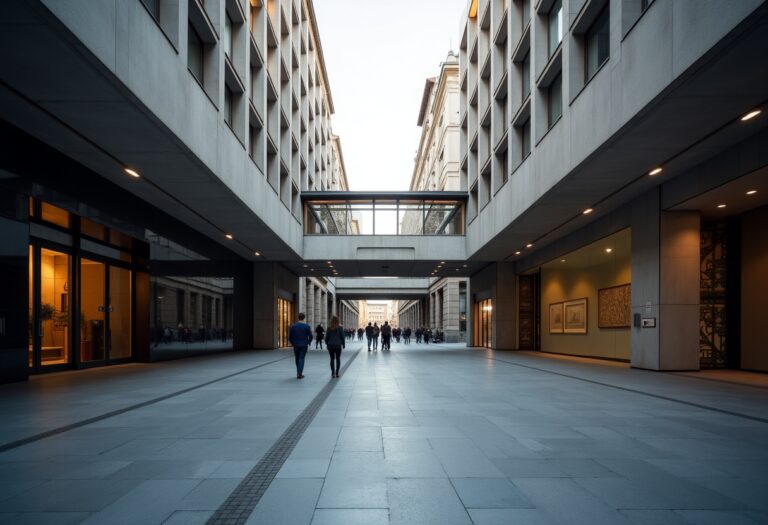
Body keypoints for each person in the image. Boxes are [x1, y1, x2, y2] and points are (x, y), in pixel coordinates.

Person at [289, 312, 313, 379]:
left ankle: (298, 372)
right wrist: (308, 342)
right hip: (304, 345)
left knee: (297, 358)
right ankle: (300, 373)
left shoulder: (293, 326)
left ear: (298, 318)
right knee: (302, 358)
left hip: (296, 345)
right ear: (304, 318)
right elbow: (311, 336)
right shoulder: (307, 326)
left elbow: (290, 337)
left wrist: (293, 343)